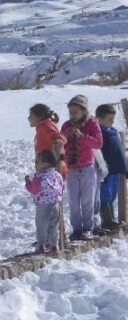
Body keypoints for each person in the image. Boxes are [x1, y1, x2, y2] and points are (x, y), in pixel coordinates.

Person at [61, 95, 103, 240]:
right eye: (70, 112)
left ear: (83, 111)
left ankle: (88, 228)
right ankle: (77, 229)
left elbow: (98, 143)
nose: (72, 115)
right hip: (71, 168)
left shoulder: (92, 124)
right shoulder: (66, 125)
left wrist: (82, 136)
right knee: (73, 201)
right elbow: (60, 145)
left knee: (87, 200)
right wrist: (65, 137)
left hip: (87, 168)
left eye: (75, 112)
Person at [25, 150, 65, 254]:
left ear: (45, 164)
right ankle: (54, 244)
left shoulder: (39, 177)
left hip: (43, 206)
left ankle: (41, 245)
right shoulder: (57, 175)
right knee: (53, 226)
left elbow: (34, 189)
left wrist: (28, 182)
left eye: (37, 162)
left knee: (41, 226)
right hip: (56, 205)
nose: (35, 164)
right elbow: (62, 186)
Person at [97, 104, 128, 229]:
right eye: (109, 119)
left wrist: (125, 168)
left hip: (117, 170)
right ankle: (107, 220)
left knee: (113, 194)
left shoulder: (113, 132)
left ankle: (112, 219)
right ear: (99, 119)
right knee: (105, 194)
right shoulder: (99, 133)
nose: (112, 122)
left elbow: (120, 152)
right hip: (106, 171)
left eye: (112, 119)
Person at [29, 103, 67, 178]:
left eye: (31, 116)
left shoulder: (46, 127)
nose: (28, 118)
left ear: (39, 117)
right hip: (46, 169)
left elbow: (59, 138)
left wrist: (58, 141)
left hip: (51, 171)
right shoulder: (43, 127)